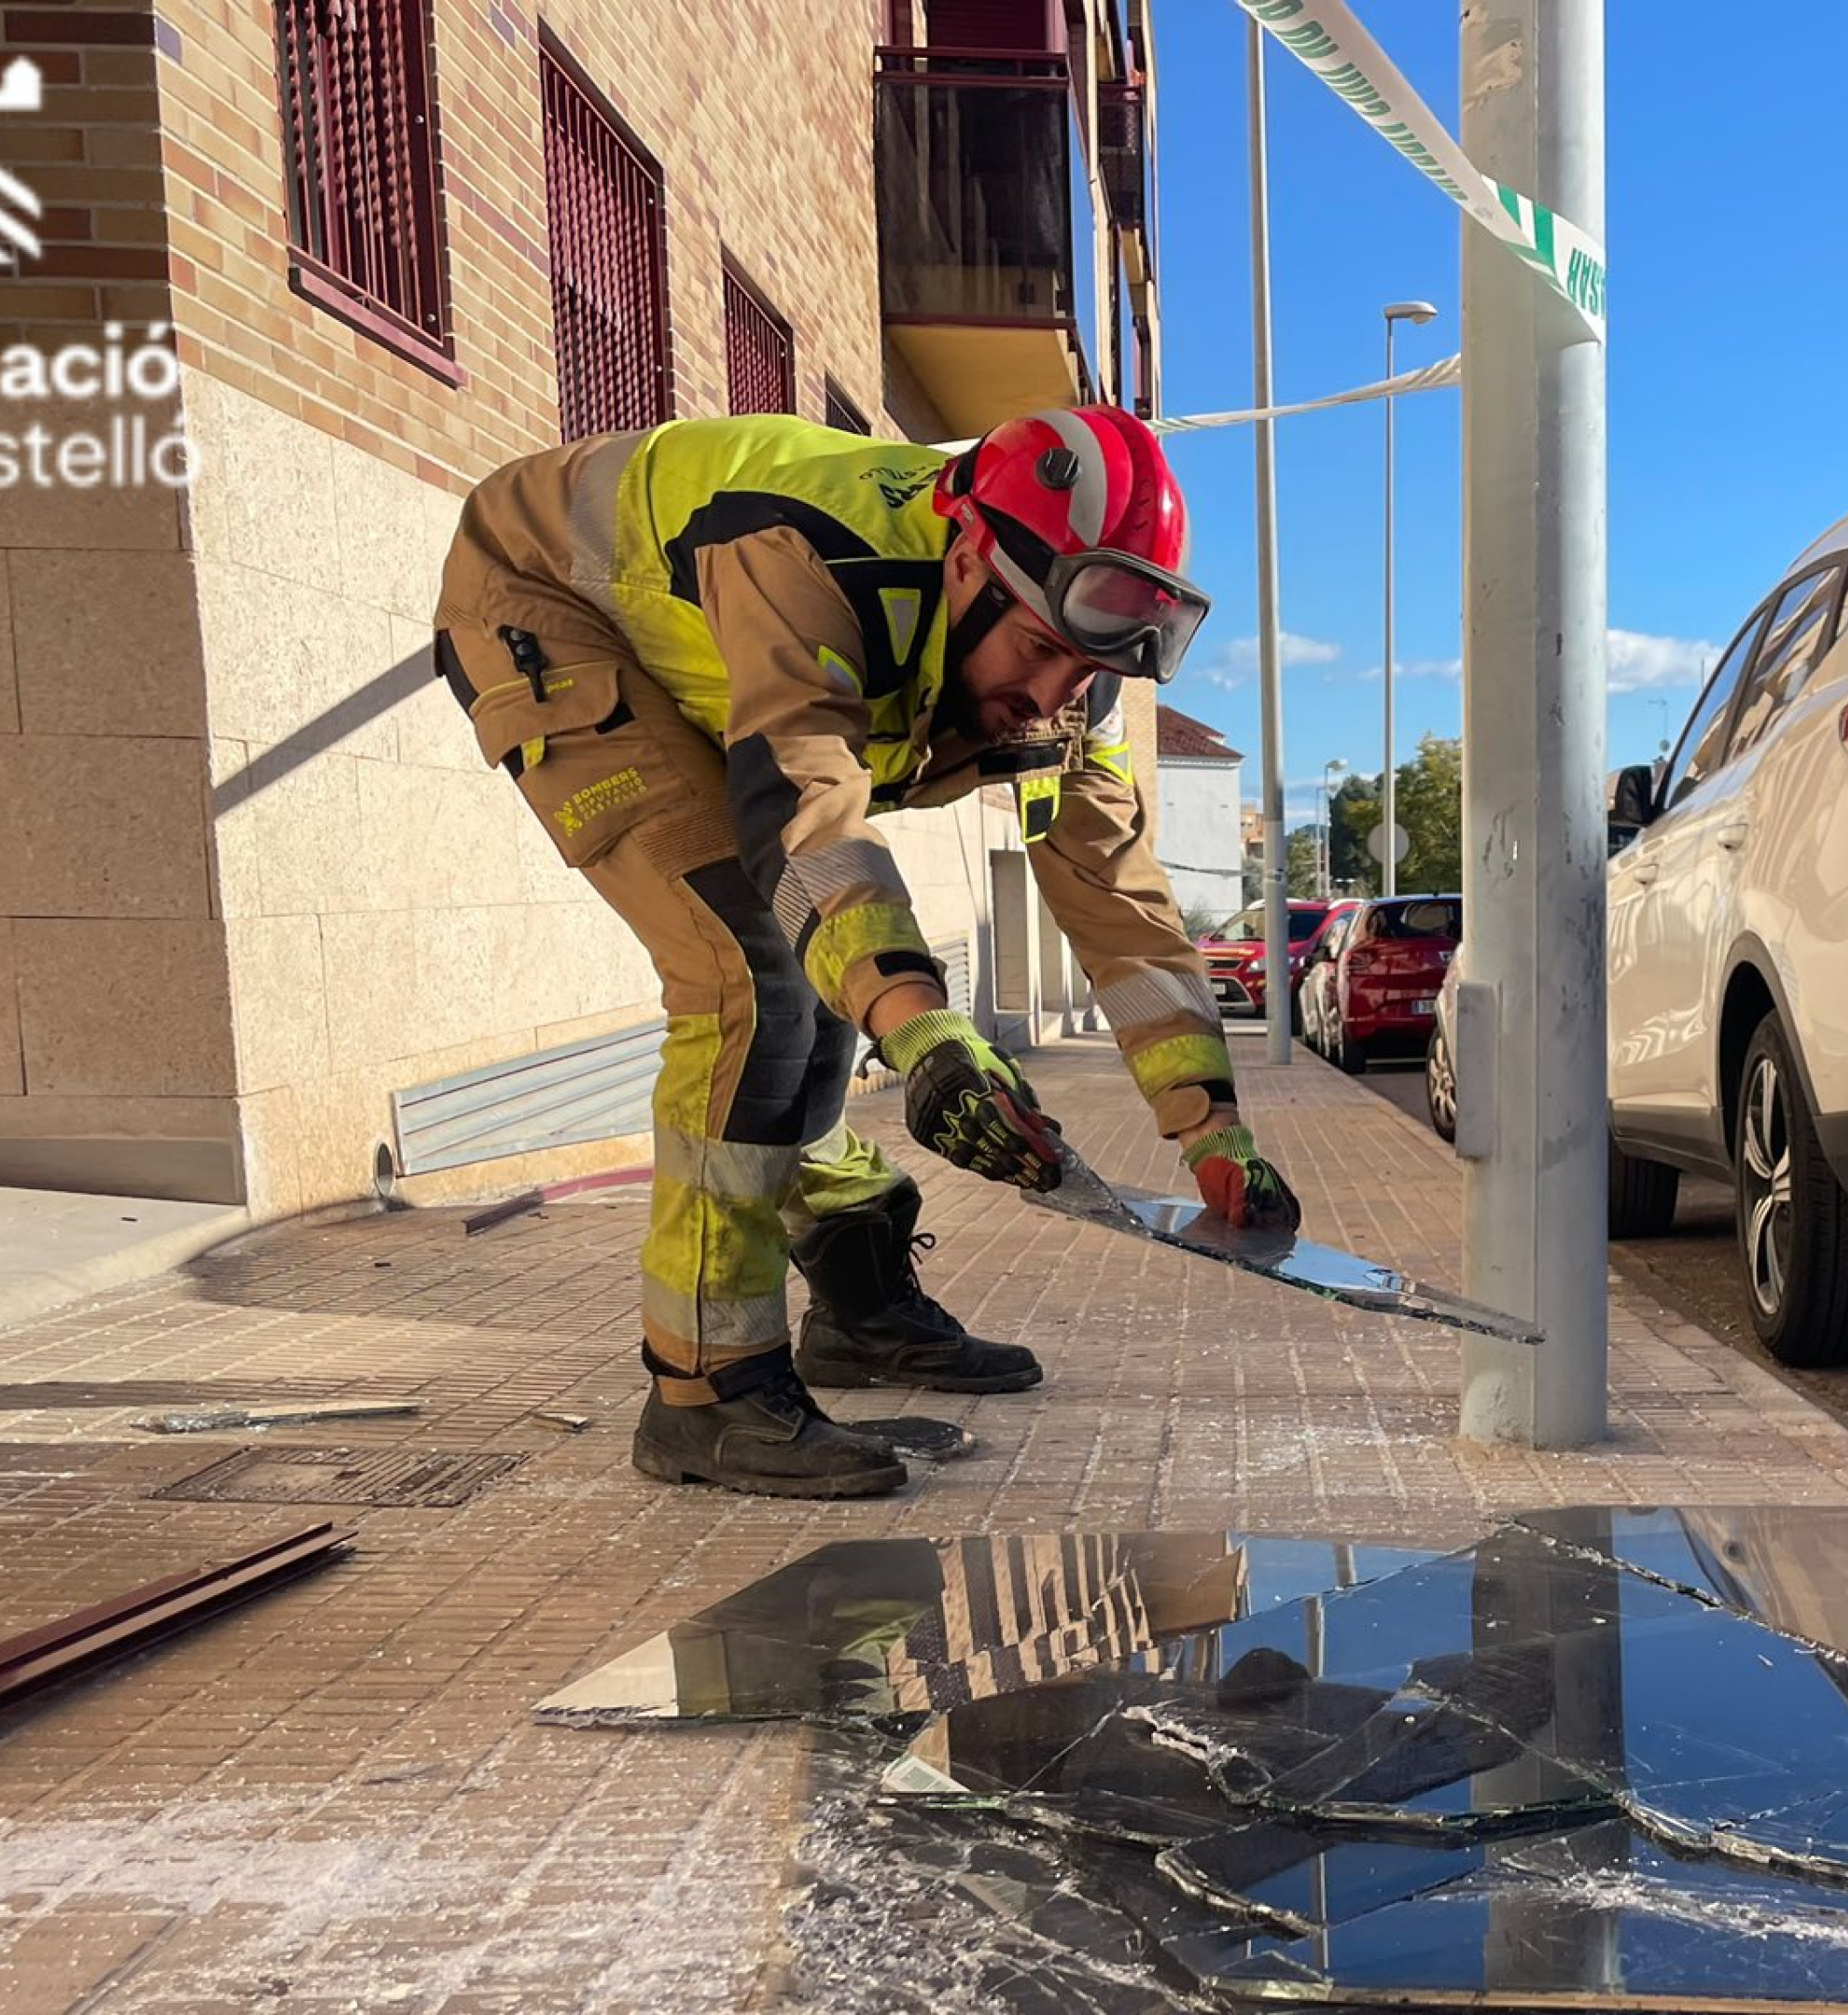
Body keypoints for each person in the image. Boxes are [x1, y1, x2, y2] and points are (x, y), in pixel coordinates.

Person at [433, 405, 1299, 1500]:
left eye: (1083, 671)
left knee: (822, 973)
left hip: (695, 647)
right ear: (970, 558)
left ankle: (859, 1300)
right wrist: (926, 1034)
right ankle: (705, 1392)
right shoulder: (808, 553)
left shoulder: (1083, 688)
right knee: (751, 980)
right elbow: (811, 814)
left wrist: (1212, 1130)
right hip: (545, 606)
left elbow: (1117, 900)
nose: (1049, 698)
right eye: (1037, 650)